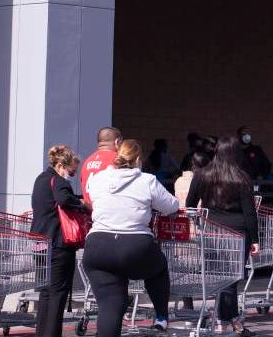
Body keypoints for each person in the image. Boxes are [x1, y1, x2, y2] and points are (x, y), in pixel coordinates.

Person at [83, 139, 178, 336]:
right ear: (137, 160)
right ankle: (161, 315)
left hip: (98, 246)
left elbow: (93, 199)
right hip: (135, 246)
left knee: (110, 305)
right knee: (158, 269)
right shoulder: (147, 180)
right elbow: (171, 206)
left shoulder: (98, 179)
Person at [185, 137, 260, 336]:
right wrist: (255, 239)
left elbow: (190, 204)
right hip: (237, 233)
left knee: (221, 278)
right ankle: (227, 322)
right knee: (231, 280)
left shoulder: (202, 175)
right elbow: (249, 213)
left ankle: (230, 321)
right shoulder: (241, 177)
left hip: (211, 230)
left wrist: (200, 222)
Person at [30, 145, 86, 337]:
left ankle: (42, 333)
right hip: (58, 244)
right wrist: (82, 204)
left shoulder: (41, 179)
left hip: (39, 243)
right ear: (61, 165)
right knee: (58, 293)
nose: (72, 175)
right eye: (71, 171)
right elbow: (63, 199)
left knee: (45, 292)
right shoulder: (59, 181)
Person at [81, 126, 123, 205]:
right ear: (117, 141)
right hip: (108, 209)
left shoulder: (87, 161)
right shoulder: (118, 160)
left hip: (89, 209)